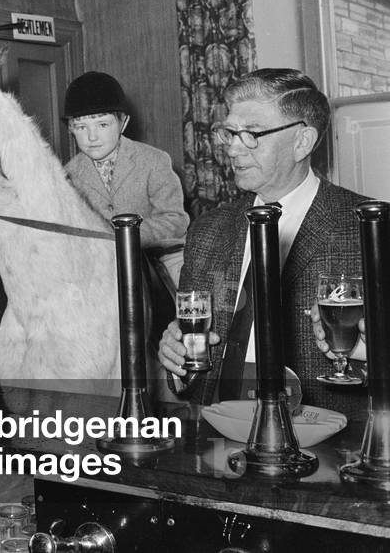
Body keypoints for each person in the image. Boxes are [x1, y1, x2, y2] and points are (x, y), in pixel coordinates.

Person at [157, 68, 369, 419]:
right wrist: (177, 360)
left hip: (330, 445)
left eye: (252, 134)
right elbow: (191, 365)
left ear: (303, 141)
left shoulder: (367, 228)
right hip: (220, 438)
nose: (234, 149)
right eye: (230, 133)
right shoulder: (208, 230)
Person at [62, 71, 189, 284]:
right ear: (71, 129)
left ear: (123, 123)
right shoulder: (68, 175)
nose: (92, 137)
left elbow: (176, 220)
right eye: (81, 127)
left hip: (157, 264)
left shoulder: (154, 160)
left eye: (103, 125)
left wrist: (125, 236)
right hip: (99, 269)